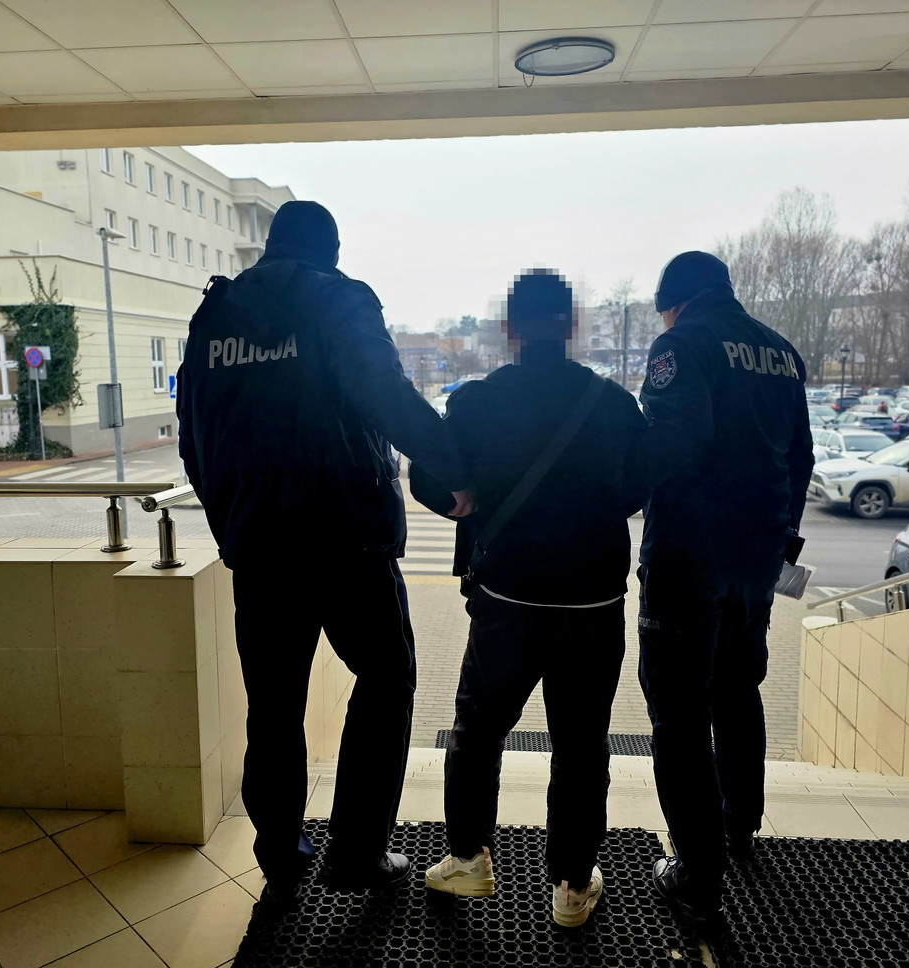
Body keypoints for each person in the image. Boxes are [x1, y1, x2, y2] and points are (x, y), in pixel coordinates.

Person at [176, 201, 473, 902]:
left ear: (271, 247)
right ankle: (358, 854)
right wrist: (454, 468)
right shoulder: (339, 298)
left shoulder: (215, 315)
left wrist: (230, 522)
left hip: (259, 545)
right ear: (330, 251)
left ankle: (281, 855)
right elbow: (384, 393)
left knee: (273, 704)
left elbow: (193, 432)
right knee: (387, 678)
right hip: (346, 538)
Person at [410, 269, 647, 928]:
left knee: (478, 731)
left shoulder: (476, 403)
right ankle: (571, 887)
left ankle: (468, 859)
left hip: (506, 600)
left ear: (509, 329)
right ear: (572, 327)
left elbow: (426, 474)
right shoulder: (613, 404)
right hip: (592, 606)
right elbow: (639, 487)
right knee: (581, 746)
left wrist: (459, 500)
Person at [633, 251, 813, 930]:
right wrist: (781, 538)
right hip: (757, 560)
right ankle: (740, 825)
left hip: (689, 560)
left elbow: (672, 446)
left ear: (672, 303)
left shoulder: (681, 346)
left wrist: (612, 488)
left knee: (678, 715)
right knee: (737, 691)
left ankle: (696, 875)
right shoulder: (781, 353)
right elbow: (800, 459)